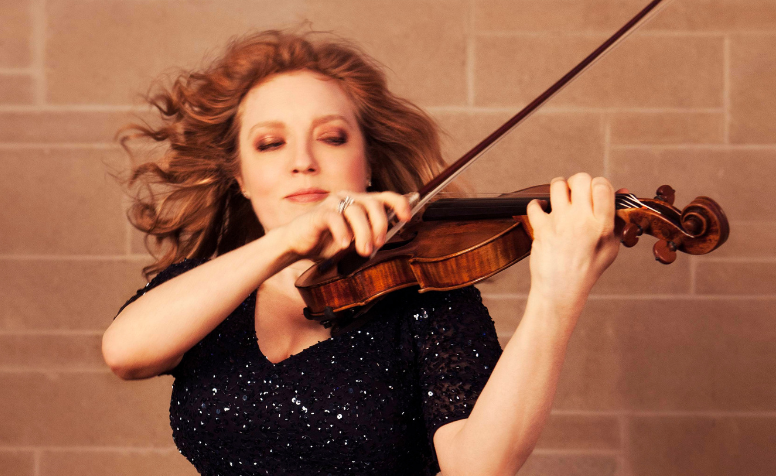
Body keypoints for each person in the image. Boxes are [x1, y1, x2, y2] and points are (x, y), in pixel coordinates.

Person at [102, 30, 622, 476]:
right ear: (240, 175)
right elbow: (125, 354)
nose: (303, 161)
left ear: (367, 163)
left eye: (330, 137)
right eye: (270, 144)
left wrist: (557, 295)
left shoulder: (425, 298)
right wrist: (286, 242)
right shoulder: (208, 289)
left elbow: (478, 467)